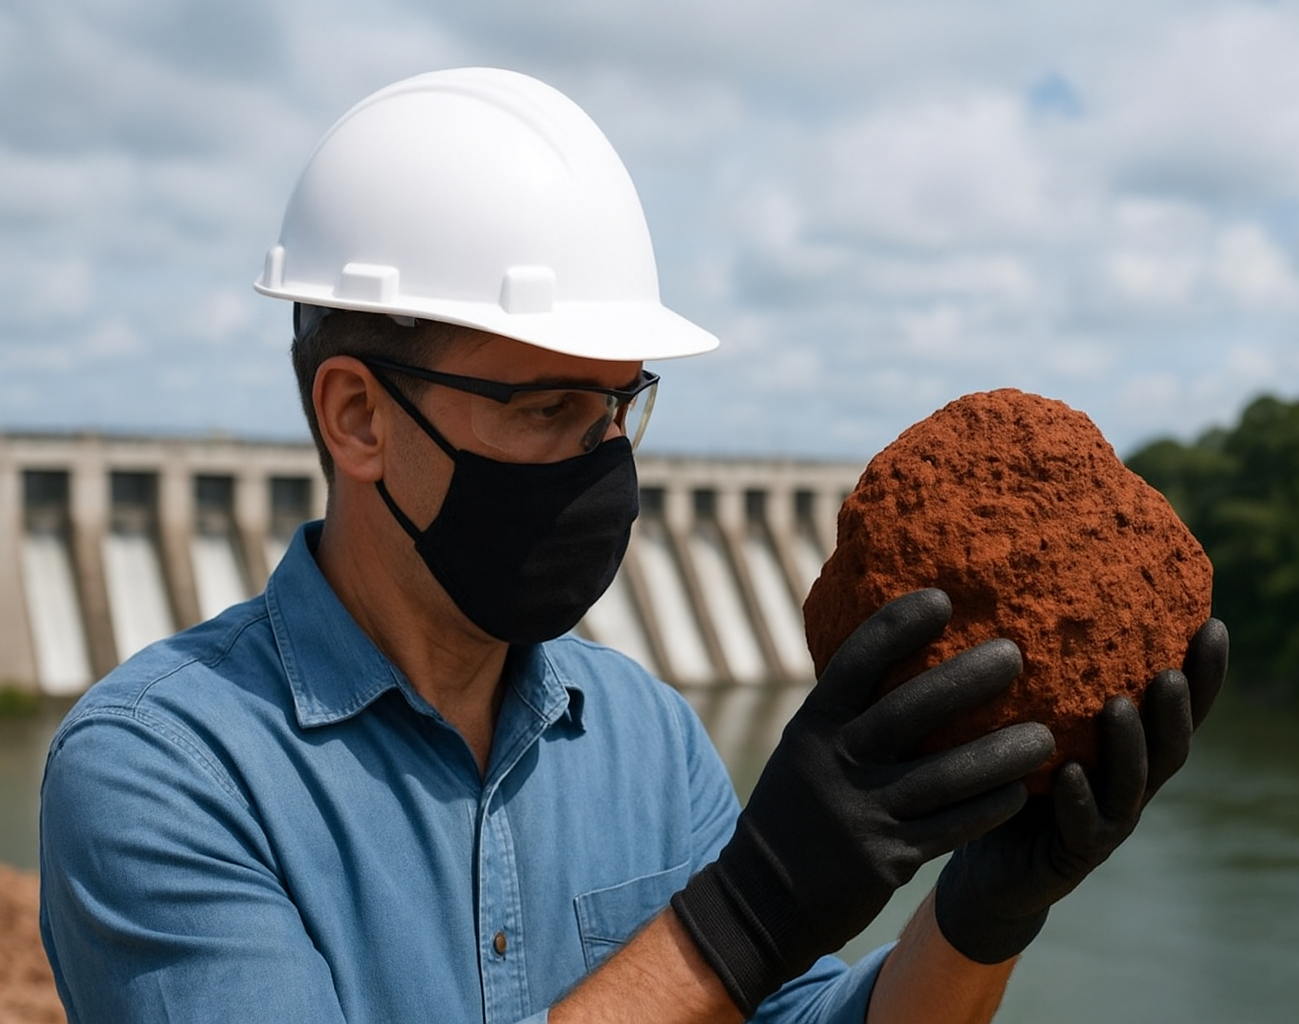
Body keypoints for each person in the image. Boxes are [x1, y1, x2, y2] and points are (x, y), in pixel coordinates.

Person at [38, 68, 1227, 1024]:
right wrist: (740, 917)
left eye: (620, 405)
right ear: (357, 415)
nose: (605, 454)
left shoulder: (641, 734)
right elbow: (725, 965)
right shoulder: (164, 771)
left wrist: (978, 921)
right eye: (547, 407)